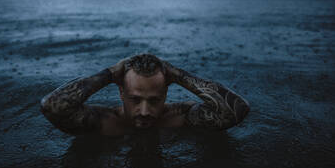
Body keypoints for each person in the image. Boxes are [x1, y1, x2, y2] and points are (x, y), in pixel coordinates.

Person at [40, 53, 250, 136]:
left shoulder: (180, 117)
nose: (144, 111)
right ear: (121, 92)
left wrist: (176, 74)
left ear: (166, 94)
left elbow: (236, 110)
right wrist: (109, 74)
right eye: (135, 99)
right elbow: (52, 106)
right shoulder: (104, 122)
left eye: (154, 100)